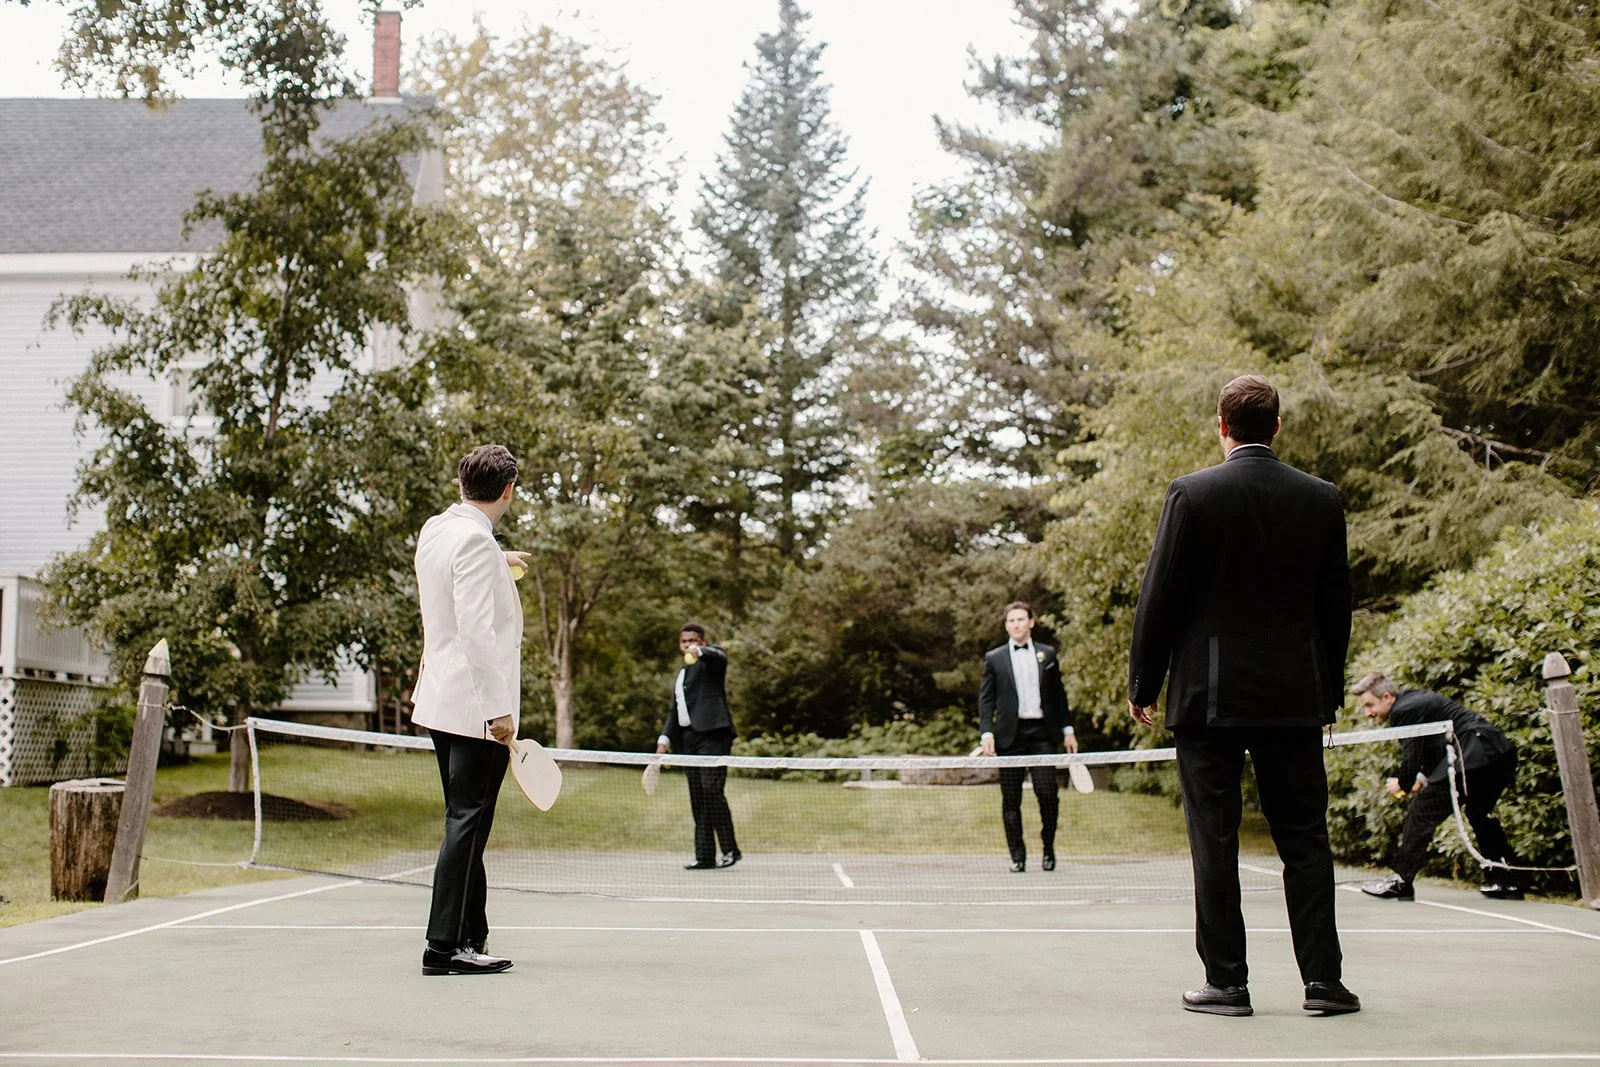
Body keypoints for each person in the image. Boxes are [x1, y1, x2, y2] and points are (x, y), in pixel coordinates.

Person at [1127, 375, 1360, 1018]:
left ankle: (1227, 984)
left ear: (1221, 425)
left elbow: (1160, 597)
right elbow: (1335, 608)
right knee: (1306, 839)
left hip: (1210, 698)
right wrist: (1328, 691)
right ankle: (1324, 983)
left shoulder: (1193, 495)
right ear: (1277, 427)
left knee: (1215, 839)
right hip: (1293, 697)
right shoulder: (1321, 498)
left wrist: (1143, 682)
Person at [411, 444, 527, 976]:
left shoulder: (438, 529)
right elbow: (477, 632)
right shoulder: (476, 544)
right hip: (477, 707)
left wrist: (499, 563)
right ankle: (444, 946)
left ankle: (469, 936)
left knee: (466, 822)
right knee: (467, 822)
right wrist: (499, 711)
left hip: (441, 702)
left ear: (462, 484)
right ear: (508, 490)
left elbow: (447, 576)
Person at [1352, 674, 1524, 901]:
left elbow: (1411, 755)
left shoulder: (1403, 711)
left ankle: (1400, 881)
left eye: (1369, 705)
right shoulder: (1411, 702)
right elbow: (1433, 748)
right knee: (1478, 813)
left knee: (1421, 810)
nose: (1367, 713)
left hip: (1477, 753)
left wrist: (1402, 785)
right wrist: (1422, 779)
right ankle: (1508, 880)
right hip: (1497, 753)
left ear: (1386, 697)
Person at [978, 601, 1078, 872]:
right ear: (1006, 625)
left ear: (1031, 622)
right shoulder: (994, 658)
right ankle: (1017, 857)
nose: (1016, 625)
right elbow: (986, 701)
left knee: (1048, 795)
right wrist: (986, 731)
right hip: (1009, 737)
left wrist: (1067, 730)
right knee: (1011, 801)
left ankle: (1048, 849)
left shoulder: (1048, 654)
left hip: (1042, 734)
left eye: (1021, 619)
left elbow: (1059, 696)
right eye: (1011, 621)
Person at [656, 623, 741, 870]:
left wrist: (700, 651)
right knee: (698, 796)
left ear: (702, 642)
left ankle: (730, 850)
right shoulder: (681, 674)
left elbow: (720, 656)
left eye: (693, 640)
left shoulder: (711, 662)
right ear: (679, 644)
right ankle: (704, 856)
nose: (688, 645)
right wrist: (664, 740)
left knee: (711, 790)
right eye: (684, 642)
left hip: (713, 736)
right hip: (688, 742)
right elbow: (676, 712)